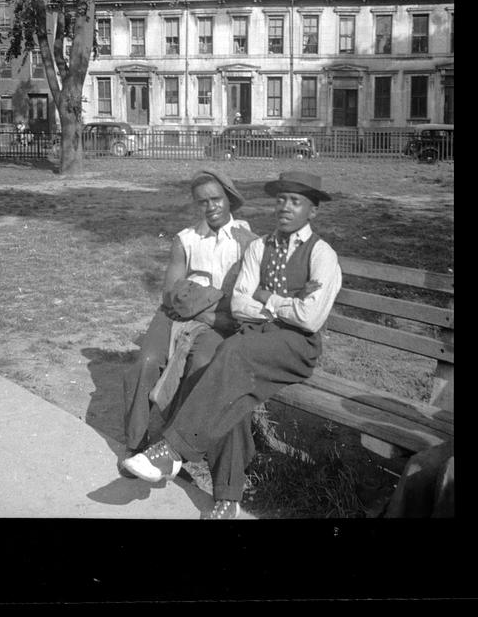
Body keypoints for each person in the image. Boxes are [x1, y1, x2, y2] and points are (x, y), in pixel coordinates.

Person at [122, 171, 342, 519]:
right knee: (228, 387)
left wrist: (267, 300)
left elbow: (310, 318)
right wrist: (283, 304)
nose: (285, 207)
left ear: (312, 211)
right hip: (256, 338)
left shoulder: (322, 254)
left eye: (296, 201)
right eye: (281, 199)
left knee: (230, 359)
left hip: (295, 349)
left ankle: (172, 450)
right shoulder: (259, 246)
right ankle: (228, 496)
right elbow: (240, 304)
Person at [121, 169, 257, 475]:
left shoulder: (248, 242)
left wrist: (197, 299)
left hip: (217, 322)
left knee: (202, 365)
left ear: (229, 198)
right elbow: (171, 293)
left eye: (216, 199)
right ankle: (136, 442)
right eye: (202, 201)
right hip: (176, 316)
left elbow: (240, 298)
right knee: (147, 361)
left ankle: (174, 447)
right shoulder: (186, 239)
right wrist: (208, 303)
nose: (211, 207)